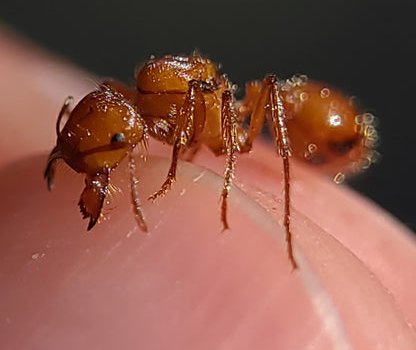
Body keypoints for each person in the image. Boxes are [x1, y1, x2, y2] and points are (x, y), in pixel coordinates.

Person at [1, 27, 415, 349]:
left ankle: (285, 220)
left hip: (323, 127)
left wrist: (213, 185)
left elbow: (202, 97)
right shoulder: (142, 102)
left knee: (267, 91)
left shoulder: (190, 103)